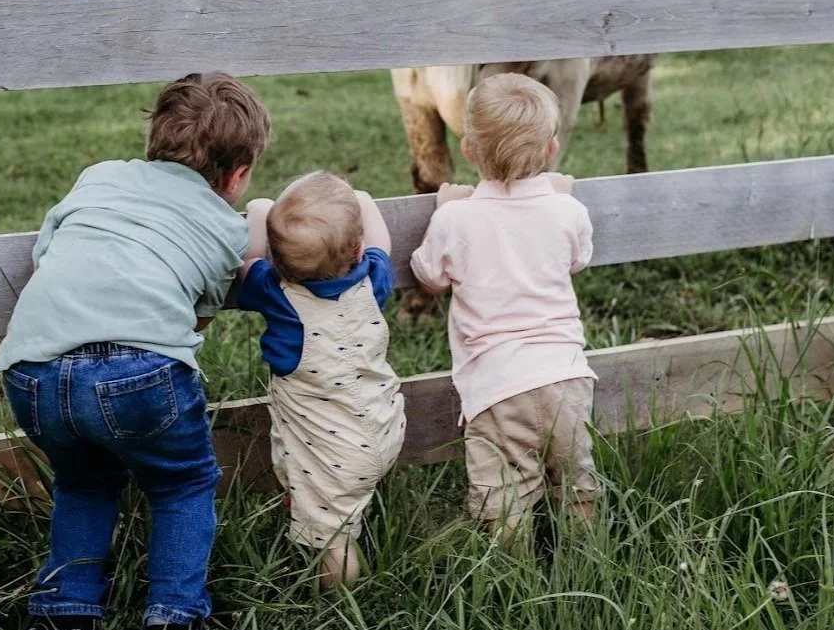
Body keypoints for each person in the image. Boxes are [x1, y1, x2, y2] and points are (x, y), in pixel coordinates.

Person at [0, 72, 271, 630]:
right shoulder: (227, 225)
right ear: (238, 176)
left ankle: (61, 626)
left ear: (153, 139)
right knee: (182, 484)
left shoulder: (98, 177)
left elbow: (48, 254)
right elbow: (200, 314)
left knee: (83, 484)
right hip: (140, 373)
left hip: (32, 370)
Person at [410, 73, 600, 536]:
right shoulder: (567, 211)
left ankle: (512, 579)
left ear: (470, 150)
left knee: (503, 495)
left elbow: (429, 276)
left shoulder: (457, 217)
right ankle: (584, 559)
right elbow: (577, 259)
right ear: (552, 150)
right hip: (567, 376)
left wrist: (443, 210)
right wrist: (559, 201)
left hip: (497, 388)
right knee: (576, 483)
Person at [236, 172, 405, 587]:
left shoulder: (276, 294)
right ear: (357, 248)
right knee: (346, 499)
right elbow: (380, 235)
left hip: (332, 451)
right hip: (384, 427)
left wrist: (261, 208)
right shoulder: (372, 279)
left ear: (278, 259)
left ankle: (339, 605)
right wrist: (359, 194)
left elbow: (247, 257)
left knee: (334, 539)